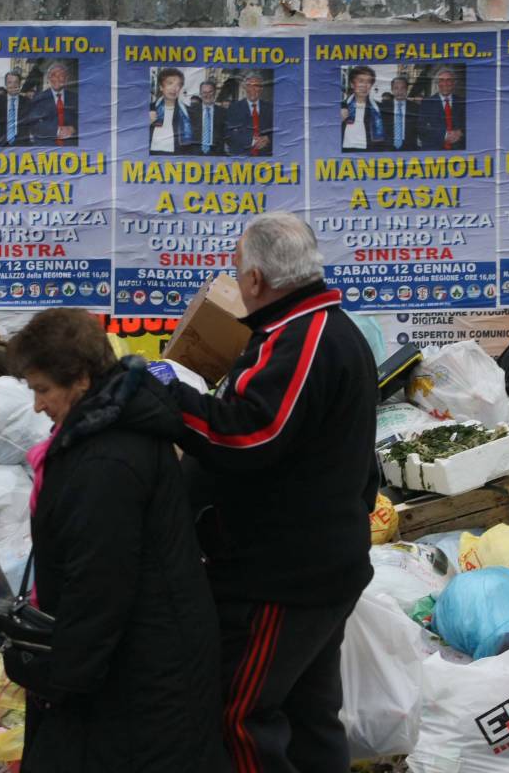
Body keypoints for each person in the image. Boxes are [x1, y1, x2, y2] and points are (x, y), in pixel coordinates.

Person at [162, 212, 378, 773]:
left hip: (285, 580)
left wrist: (173, 405)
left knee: (240, 716)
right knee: (309, 718)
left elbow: (253, 434)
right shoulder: (312, 330)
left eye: (237, 272)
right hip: (316, 568)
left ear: (256, 279)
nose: (235, 282)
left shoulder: (304, 338)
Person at [6, 309, 223, 773]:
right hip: (137, 661)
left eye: (43, 390)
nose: (37, 406)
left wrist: (59, 678)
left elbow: (99, 582)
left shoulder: (107, 459)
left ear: (80, 379)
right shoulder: (103, 432)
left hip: (145, 673)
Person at [31, 60, 79, 146]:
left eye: (61, 75)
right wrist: (57, 131)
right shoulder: (38, 98)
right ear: (49, 78)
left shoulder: (76, 98)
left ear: (66, 78)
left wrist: (74, 128)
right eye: (53, 75)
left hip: (72, 147)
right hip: (46, 147)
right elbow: (34, 125)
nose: (57, 78)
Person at [149, 67, 195, 155]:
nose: (174, 88)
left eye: (178, 85)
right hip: (151, 155)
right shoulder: (149, 109)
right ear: (161, 87)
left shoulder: (188, 113)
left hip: (176, 156)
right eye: (170, 83)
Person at [225, 72, 273, 156]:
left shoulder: (270, 108)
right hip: (241, 157)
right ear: (245, 88)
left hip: (265, 157)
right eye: (249, 85)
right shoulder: (233, 108)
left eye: (256, 86)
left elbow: (280, 131)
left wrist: (268, 139)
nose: (252, 89)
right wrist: (252, 141)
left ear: (261, 88)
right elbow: (228, 133)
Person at [418, 67, 465, 150]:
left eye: (449, 80)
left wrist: (461, 132)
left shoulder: (463, 103)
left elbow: (472, 125)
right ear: (437, 83)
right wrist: (445, 135)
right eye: (441, 80)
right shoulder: (426, 103)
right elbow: (421, 129)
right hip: (434, 151)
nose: (445, 83)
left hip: (459, 151)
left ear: (454, 83)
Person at [340, 65, 385, 152]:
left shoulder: (379, 108)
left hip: (369, 151)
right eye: (361, 81)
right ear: (352, 84)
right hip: (343, 151)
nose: (364, 85)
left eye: (368, 82)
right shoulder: (341, 106)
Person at [0, 70, 32, 146]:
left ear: (20, 84)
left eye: (16, 82)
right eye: (9, 82)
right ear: (5, 84)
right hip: (1, 146)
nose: (13, 85)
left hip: (22, 145)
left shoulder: (28, 102)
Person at [384, 75, 419, 151]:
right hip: (388, 148)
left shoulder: (416, 108)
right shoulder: (384, 107)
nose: (399, 91)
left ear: (407, 89)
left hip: (410, 149)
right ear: (392, 90)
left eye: (402, 88)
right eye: (396, 88)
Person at [192, 79, 226, 155]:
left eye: (210, 92)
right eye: (204, 92)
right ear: (200, 94)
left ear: (215, 93)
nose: (207, 95)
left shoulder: (223, 112)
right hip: (195, 155)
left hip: (217, 155)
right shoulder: (191, 111)